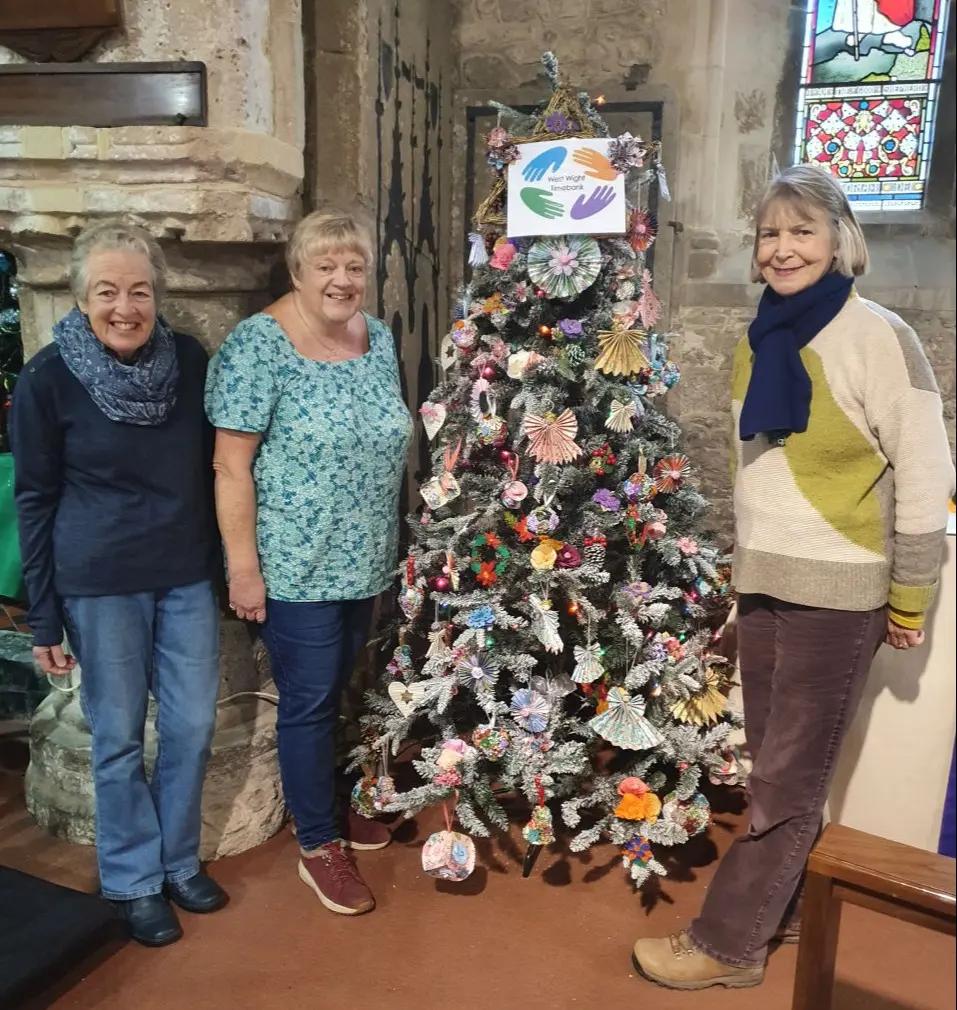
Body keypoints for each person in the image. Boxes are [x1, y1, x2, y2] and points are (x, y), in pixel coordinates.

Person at [632, 164, 955, 990]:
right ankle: (777, 913)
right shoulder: (760, 335)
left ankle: (726, 946)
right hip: (768, 583)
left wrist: (910, 595)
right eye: (769, 233)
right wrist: (743, 581)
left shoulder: (879, 335)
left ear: (840, 239)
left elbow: (924, 475)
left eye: (800, 231)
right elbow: (759, 475)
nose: (782, 248)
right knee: (775, 769)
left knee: (786, 782)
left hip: (837, 592)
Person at [10, 220, 226, 948]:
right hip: (98, 586)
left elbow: (220, 466)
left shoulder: (191, 362)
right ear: (79, 297)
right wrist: (43, 617)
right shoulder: (45, 379)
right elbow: (33, 500)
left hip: (186, 577)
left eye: (138, 290)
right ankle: (134, 880)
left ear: (157, 294)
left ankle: (177, 861)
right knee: (116, 737)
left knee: (194, 727)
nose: (124, 307)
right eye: (106, 291)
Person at [205, 207, 413, 917]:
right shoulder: (258, 346)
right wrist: (243, 569)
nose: (342, 278)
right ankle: (319, 843)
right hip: (294, 565)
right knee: (308, 701)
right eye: (325, 265)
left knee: (339, 691)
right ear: (296, 272)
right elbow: (230, 468)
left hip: (364, 560)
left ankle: (322, 805)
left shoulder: (375, 339)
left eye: (354, 266)